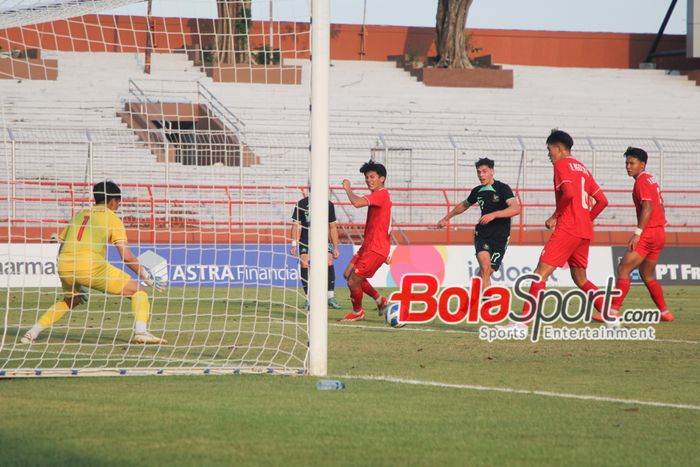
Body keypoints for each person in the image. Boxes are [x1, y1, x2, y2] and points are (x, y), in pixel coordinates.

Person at [21, 181, 166, 345]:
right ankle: (141, 332)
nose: (118, 206)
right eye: (118, 202)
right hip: (90, 265)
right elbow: (126, 257)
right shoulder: (112, 218)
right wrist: (145, 275)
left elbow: (61, 243)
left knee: (71, 300)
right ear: (113, 201)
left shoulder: (80, 214)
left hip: (64, 264)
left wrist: (74, 277)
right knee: (139, 292)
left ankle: (30, 334)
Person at [503, 130, 609, 329]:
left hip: (568, 228)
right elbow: (602, 201)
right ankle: (609, 314)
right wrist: (586, 220)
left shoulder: (561, 164)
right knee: (580, 278)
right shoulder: (583, 168)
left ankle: (523, 322)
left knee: (539, 273)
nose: (548, 154)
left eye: (549, 149)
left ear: (559, 148)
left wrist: (555, 216)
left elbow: (568, 194)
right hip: (584, 231)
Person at [593, 147, 673, 323]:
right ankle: (665, 312)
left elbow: (648, 206)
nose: (628, 166)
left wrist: (638, 233)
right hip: (659, 232)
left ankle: (613, 311)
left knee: (623, 268)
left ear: (642, 165)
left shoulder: (641, 182)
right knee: (647, 274)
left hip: (648, 233)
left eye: (632, 163)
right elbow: (659, 206)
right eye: (626, 163)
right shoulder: (651, 180)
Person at [437, 157, 520, 288]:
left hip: (501, 237)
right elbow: (464, 205)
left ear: (492, 171)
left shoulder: (502, 188)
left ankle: (476, 292)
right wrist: (446, 218)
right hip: (483, 234)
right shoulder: (477, 191)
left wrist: (494, 214)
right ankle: (485, 305)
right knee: (485, 268)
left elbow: (515, 208)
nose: (481, 175)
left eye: (484, 171)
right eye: (478, 172)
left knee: (488, 271)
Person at [340, 160, 392, 321]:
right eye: (367, 177)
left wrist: (348, 189)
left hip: (375, 249)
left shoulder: (381, 194)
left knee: (353, 282)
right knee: (348, 274)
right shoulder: (379, 196)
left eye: (372, 177)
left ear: (381, 178)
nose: (369, 180)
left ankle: (358, 313)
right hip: (369, 246)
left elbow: (356, 203)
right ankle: (380, 300)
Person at [290, 193, 342, 309]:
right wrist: (294, 244)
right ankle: (309, 298)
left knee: (329, 261)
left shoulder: (328, 205)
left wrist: (336, 247)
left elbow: (332, 227)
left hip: (323, 241)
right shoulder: (302, 203)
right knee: (304, 263)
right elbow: (295, 225)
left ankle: (330, 296)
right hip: (306, 240)